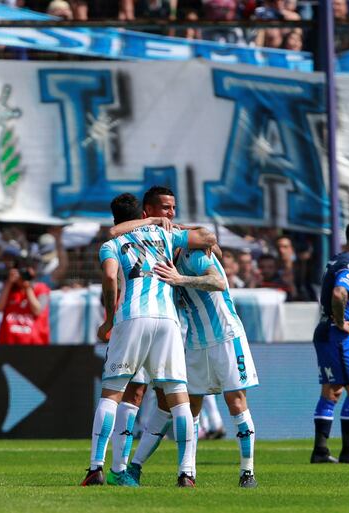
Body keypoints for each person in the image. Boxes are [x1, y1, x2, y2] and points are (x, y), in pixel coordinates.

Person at [80, 192, 215, 488]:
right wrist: (173, 226)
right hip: (167, 319)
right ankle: (186, 473)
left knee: (112, 393)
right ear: (143, 213)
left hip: (131, 318)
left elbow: (110, 278)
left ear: (114, 217)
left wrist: (109, 318)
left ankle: (96, 467)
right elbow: (206, 238)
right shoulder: (163, 234)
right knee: (179, 398)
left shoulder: (111, 243)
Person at [125, 237, 261, 488]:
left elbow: (219, 282)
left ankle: (247, 472)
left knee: (236, 402)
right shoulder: (166, 264)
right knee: (187, 408)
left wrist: (181, 280)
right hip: (196, 344)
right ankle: (186, 473)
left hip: (227, 337)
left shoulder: (194, 255)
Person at [310, 219, 349, 465]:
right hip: (335, 335)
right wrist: (339, 321)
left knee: (331, 391)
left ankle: (321, 451)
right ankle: (347, 450)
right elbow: (339, 293)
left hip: (324, 332)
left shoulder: (336, 259)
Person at [0, 255, 50, 344]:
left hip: (34, 346)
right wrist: (9, 283)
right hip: (9, 344)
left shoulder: (41, 289)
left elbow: (37, 311)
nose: (23, 274)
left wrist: (27, 287)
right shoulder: (9, 289)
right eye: (21, 271)